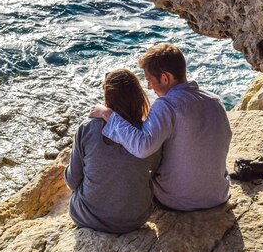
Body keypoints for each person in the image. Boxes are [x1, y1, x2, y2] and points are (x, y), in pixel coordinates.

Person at [90, 43, 232, 211]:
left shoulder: (166, 105)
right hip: (217, 195)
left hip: (178, 200)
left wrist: (108, 114)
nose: (149, 87)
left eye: (149, 80)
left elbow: (142, 147)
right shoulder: (215, 100)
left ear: (165, 78)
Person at [65, 69, 161, 233]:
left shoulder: (88, 128)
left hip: (89, 218)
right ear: (138, 96)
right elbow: (154, 171)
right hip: (135, 219)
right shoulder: (148, 134)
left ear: (108, 98)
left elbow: (72, 181)